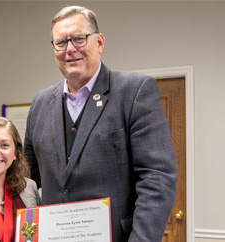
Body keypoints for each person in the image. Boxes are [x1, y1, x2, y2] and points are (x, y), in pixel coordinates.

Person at [24, 5, 177, 242]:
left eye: (78, 39)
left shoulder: (134, 91)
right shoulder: (40, 103)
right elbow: (27, 180)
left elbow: (157, 179)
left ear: (100, 42)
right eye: (61, 42)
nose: (70, 49)